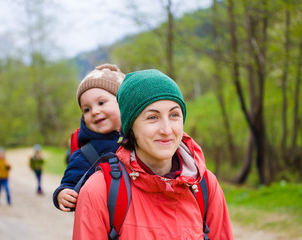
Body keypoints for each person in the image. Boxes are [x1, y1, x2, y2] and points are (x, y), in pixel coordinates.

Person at [73, 69, 234, 240]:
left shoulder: (205, 185)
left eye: (174, 115)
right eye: (152, 117)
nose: (166, 130)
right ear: (130, 128)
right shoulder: (99, 190)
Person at [53, 63, 125, 212]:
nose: (95, 111)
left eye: (101, 103)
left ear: (123, 102)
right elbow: (71, 181)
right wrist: (62, 193)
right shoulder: (87, 152)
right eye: (87, 109)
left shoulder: (142, 138)